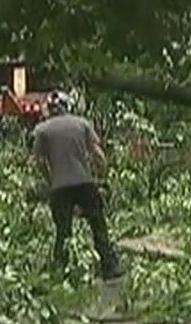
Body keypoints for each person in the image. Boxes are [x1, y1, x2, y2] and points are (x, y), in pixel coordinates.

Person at [30, 91, 124, 279]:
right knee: (98, 225)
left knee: (63, 231)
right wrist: (103, 177)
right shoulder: (82, 124)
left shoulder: (41, 130)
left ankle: (61, 270)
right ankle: (109, 266)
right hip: (84, 183)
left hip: (59, 187)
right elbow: (98, 155)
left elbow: (38, 162)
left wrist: (50, 179)